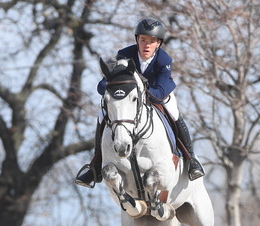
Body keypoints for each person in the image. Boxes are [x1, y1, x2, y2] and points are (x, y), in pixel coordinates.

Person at [75, 17, 205, 188]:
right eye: (143, 40)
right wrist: (109, 85)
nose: (147, 45)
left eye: (151, 41)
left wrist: (144, 93)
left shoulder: (164, 60)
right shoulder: (124, 55)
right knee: (102, 115)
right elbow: (108, 82)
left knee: (173, 112)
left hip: (158, 93)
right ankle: (95, 166)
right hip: (130, 99)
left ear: (158, 43)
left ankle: (191, 159)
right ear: (137, 39)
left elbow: (161, 89)